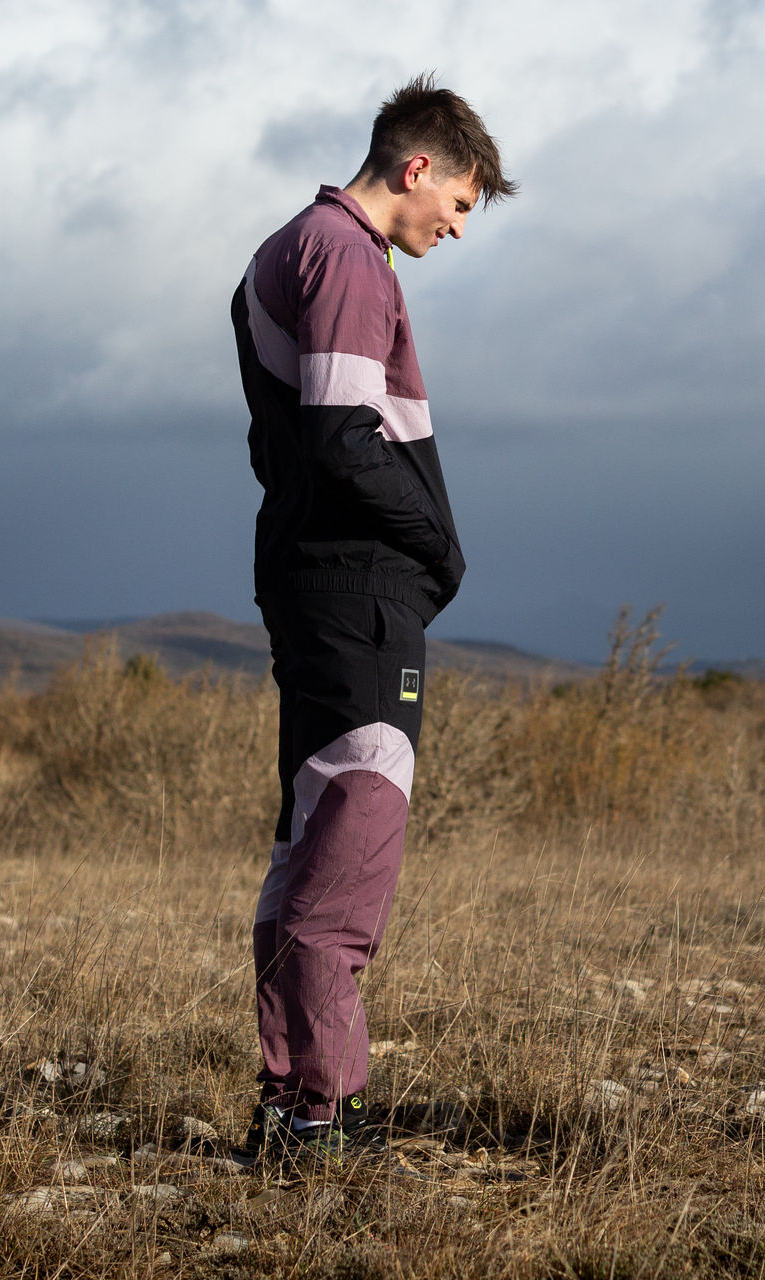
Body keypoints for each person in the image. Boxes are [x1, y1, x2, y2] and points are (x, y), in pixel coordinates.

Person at [230, 75, 516, 1164]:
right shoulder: (346, 256)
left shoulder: (283, 252)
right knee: (350, 838)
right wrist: (440, 547)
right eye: (458, 201)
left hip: (316, 584)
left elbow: (284, 451)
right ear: (415, 168)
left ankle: (287, 1100)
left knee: (308, 838)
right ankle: (321, 1113)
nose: (455, 225)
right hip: (356, 595)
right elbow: (345, 437)